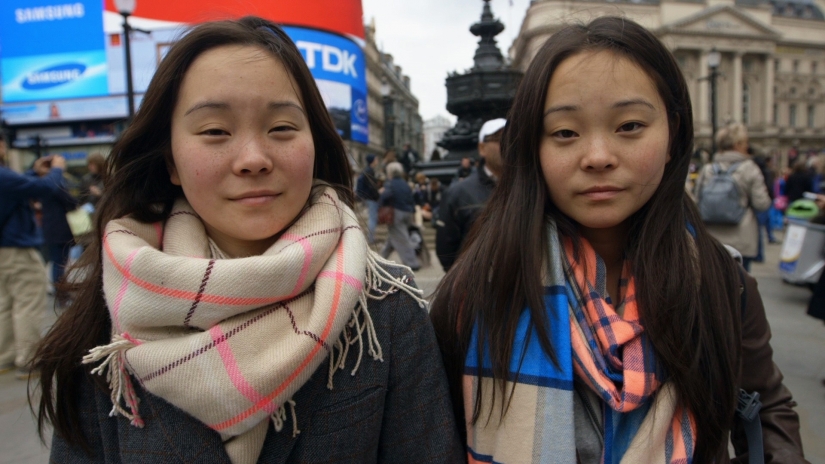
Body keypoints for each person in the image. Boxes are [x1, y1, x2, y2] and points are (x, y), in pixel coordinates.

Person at [32, 17, 462, 464]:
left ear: (315, 143)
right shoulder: (111, 313)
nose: (254, 159)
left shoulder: (386, 308)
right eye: (215, 131)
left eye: (281, 128)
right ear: (171, 160)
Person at [430, 17, 806, 464]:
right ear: (533, 147)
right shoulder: (474, 291)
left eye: (629, 126)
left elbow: (766, 408)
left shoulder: (722, 280)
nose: (598, 157)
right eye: (565, 133)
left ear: (672, 135)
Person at [0, 133, 67, 380]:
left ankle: (5, 356)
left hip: (2, 250)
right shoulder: (3, 175)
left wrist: (32, 171)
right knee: (27, 301)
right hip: (17, 247)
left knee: (5, 303)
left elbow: (16, 186)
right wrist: (57, 170)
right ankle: (28, 359)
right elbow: (43, 189)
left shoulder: (6, 178)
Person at [694, 123, 771, 271]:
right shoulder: (749, 168)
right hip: (741, 237)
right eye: (745, 143)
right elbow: (762, 203)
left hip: (711, 237)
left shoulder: (708, 169)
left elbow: (697, 200)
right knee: (740, 285)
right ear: (738, 144)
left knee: (714, 285)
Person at [435, 118, 505, 271]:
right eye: (499, 139)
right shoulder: (458, 193)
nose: (507, 145)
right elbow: (446, 248)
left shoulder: (532, 189)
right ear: (482, 148)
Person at [379, 163, 421, 270]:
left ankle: (412, 263)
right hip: (407, 213)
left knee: (402, 239)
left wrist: (381, 200)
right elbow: (412, 199)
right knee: (394, 237)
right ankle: (380, 260)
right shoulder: (405, 183)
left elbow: (386, 196)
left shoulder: (390, 183)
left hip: (396, 213)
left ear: (390, 172)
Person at [355, 154, 380, 244]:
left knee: (372, 217)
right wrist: (377, 195)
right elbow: (372, 187)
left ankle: (371, 237)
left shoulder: (367, 170)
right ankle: (371, 238)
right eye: (376, 159)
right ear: (372, 160)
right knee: (372, 218)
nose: (377, 161)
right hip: (371, 198)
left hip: (368, 197)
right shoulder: (370, 171)